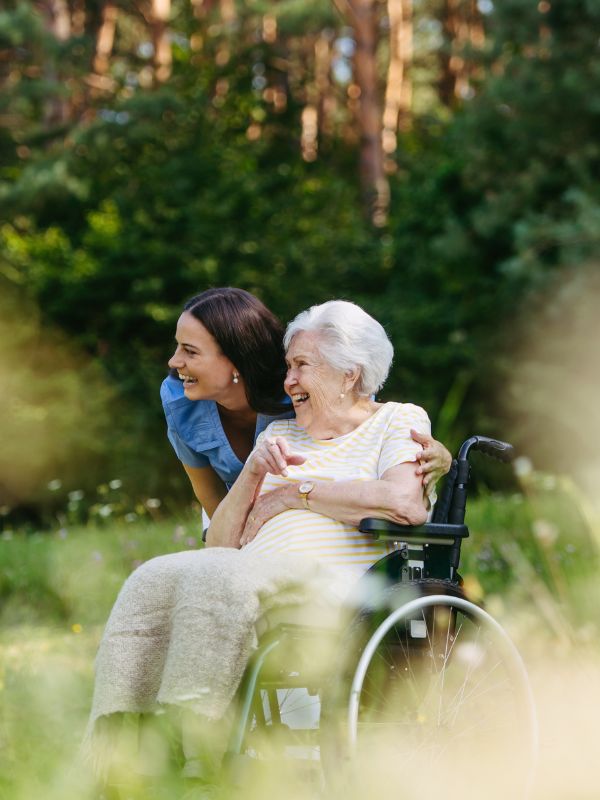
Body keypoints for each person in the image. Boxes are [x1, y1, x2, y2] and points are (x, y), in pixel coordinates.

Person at [87, 300, 447, 788]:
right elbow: (218, 543)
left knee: (221, 575)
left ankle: (192, 736)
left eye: (302, 366)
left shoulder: (396, 421)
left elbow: (404, 501)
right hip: (252, 575)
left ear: (348, 375)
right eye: (288, 366)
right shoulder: (279, 432)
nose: (288, 381)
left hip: (336, 584)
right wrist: (256, 470)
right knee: (152, 576)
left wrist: (295, 493)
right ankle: (119, 738)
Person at [161, 288, 450, 525]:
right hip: (238, 515)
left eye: (190, 351)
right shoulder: (179, 399)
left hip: (310, 519)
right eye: (178, 346)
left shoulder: (296, 389)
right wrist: (237, 546)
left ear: (236, 359)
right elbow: (210, 496)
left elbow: (362, 423)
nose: (174, 362)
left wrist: (435, 457)